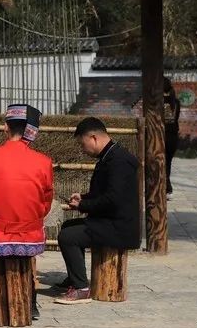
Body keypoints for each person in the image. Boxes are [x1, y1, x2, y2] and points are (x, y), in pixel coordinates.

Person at [0, 104, 53, 320]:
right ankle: (30, 303)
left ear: (6, 127)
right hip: (32, 236)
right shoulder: (44, 162)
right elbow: (45, 203)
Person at [55, 117, 140, 305]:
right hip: (110, 221)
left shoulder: (119, 161)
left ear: (93, 137)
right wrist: (84, 198)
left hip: (119, 227)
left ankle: (81, 288)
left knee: (68, 237)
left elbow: (113, 199)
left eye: (82, 143)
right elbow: (105, 193)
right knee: (68, 227)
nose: (82, 149)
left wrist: (83, 206)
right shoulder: (110, 156)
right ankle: (75, 277)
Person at [163, 77, 181, 194]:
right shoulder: (176, 103)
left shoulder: (157, 102)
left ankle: (164, 187)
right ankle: (167, 187)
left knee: (158, 164)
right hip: (173, 138)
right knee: (167, 163)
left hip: (161, 137)